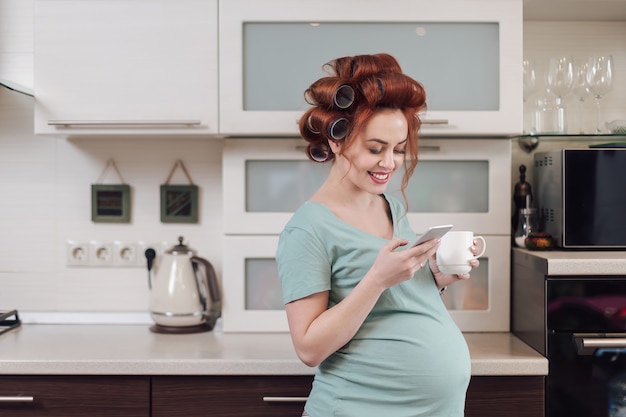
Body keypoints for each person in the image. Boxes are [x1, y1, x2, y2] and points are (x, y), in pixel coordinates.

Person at [276, 53, 479, 417]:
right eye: (375, 149)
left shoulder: (389, 205)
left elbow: (393, 299)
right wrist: (376, 281)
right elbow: (308, 348)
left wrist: (435, 278)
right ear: (337, 141)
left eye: (398, 149)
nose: (390, 163)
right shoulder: (306, 230)